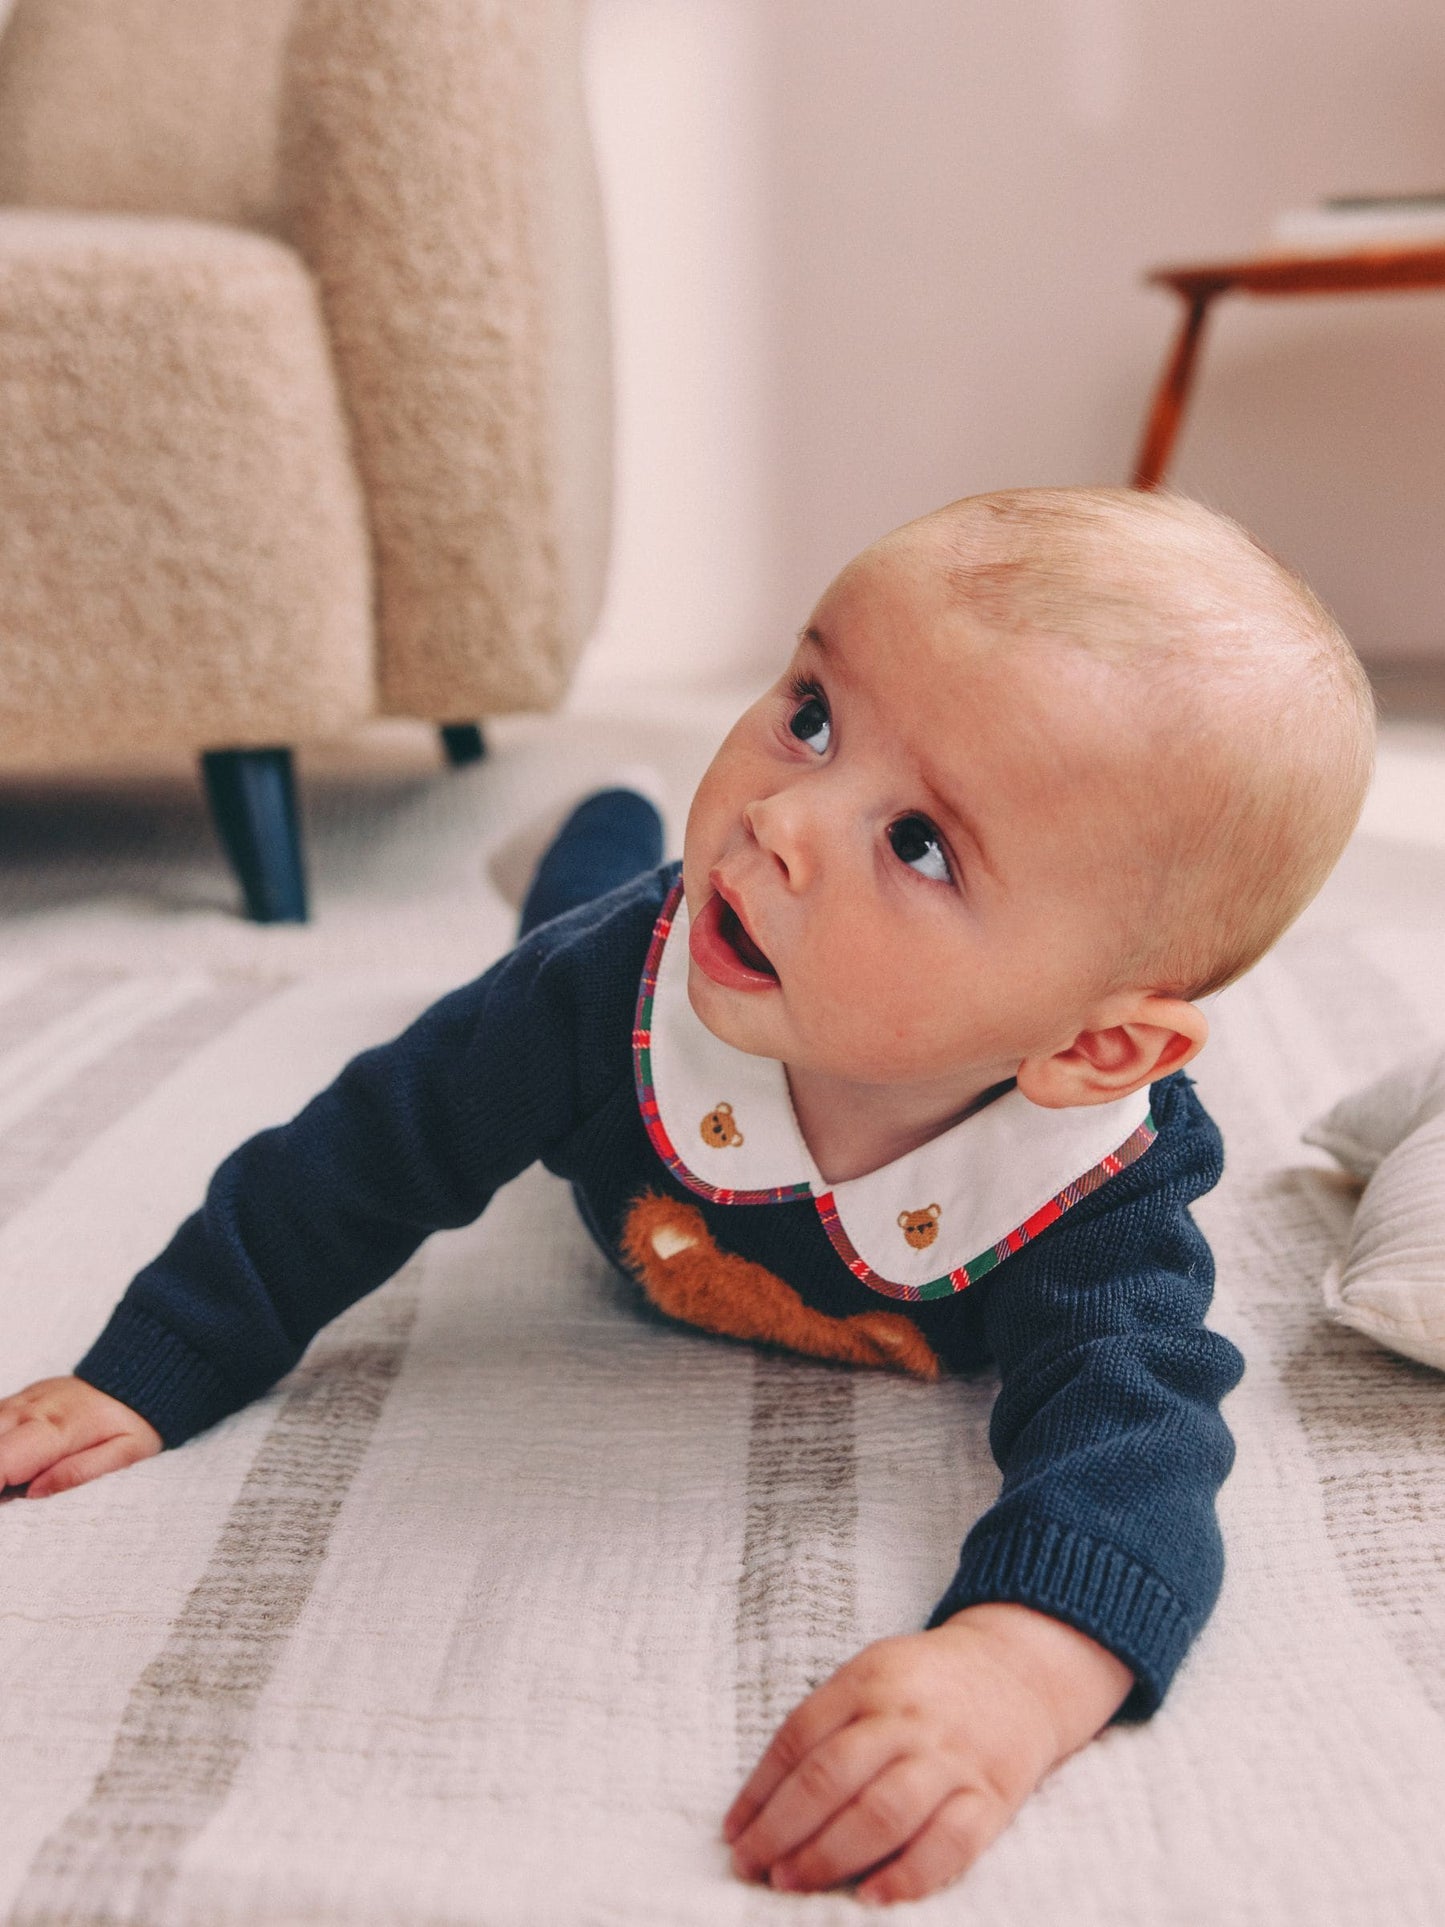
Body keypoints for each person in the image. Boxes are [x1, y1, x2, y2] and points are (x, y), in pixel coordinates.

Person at [0, 486, 1375, 1905]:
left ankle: (597, 833)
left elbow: (1140, 1431)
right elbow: (372, 1148)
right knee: (582, 918)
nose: (781, 817)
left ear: (1093, 1048)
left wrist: (1018, 1663)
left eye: (917, 844)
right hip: (618, 974)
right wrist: (159, 1363)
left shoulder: (1091, 1192)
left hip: (784, 1010)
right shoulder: (613, 992)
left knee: (625, 896)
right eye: (812, 712)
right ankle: (589, 835)